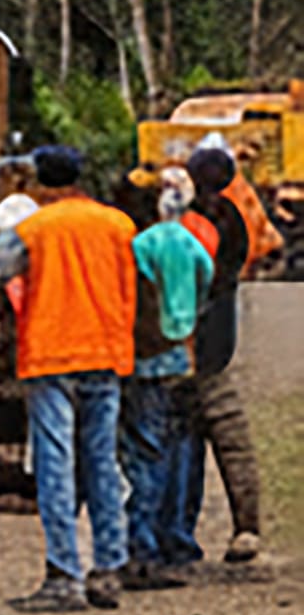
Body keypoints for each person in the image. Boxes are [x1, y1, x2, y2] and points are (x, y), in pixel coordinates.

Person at [0, 139, 136, 610]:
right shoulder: (118, 224)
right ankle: (109, 568)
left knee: (56, 464)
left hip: (51, 354)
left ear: (40, 181)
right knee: (102, 462)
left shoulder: (34, 227)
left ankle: (63, 575)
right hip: (105, 350)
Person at [185, 141, 269, 572]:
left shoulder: (190, 223)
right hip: (222, 337)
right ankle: (246, 526)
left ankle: (176, 536)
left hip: (185, 342)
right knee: (230, 437)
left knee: (179, 443)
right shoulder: (235, 219)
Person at [124, 173, 212, 585]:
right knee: (182, 451)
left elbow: (136, 294)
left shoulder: (143, 244)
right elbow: (206, 275)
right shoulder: (188, 240)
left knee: (146, 451)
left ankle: (143, 543)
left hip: (149, 358)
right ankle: (177, 535)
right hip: (184, 354)